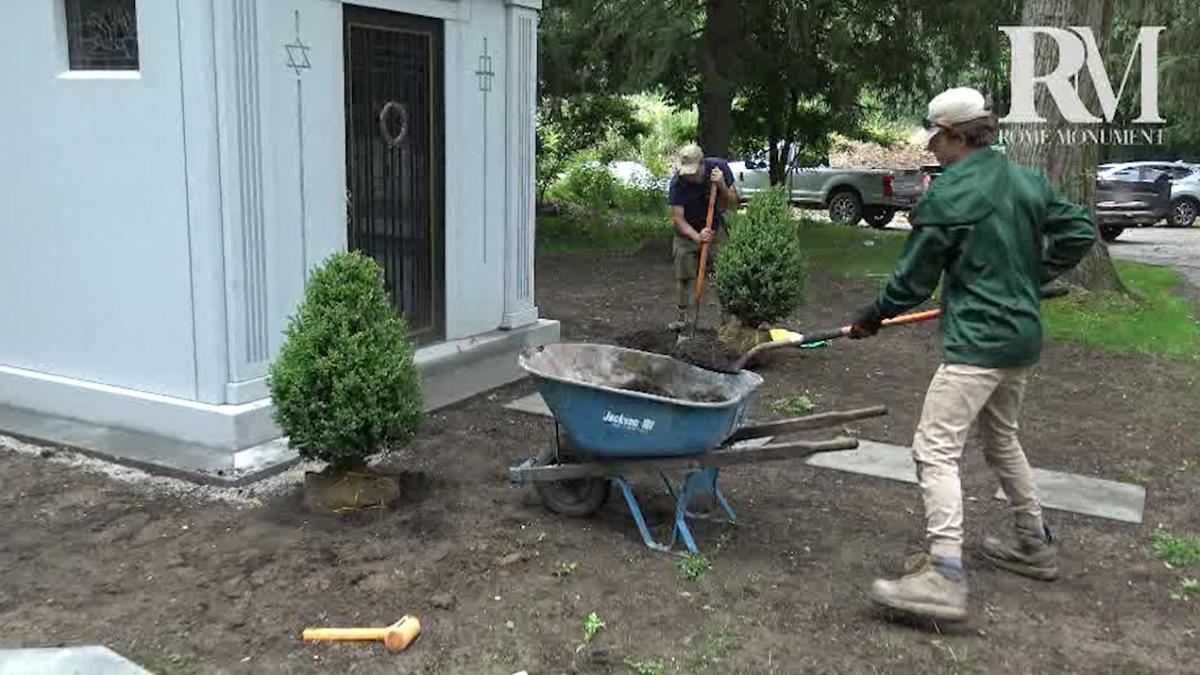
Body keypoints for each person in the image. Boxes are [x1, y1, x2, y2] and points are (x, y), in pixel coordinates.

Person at [848, 87, 1097, 621]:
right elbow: (1079, 229)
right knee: (1001, 439)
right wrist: (1034, 276)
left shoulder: (950, 194)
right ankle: (1034, 543)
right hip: (1020, 339)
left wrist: (873, 316)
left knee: (933, 449)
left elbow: (912, 281)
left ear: (958, 135)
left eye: (937, 138)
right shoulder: (1025, 180)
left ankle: (943, 575)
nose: (933, 148)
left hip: (978, 345)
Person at [666, 143, 739, 331]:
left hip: (714, 228)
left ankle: (727, 322)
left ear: (701, 164)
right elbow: (677, 218)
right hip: (687, 232)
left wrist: (722, 185)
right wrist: (697, 237)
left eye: (692, 171)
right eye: (685, 171)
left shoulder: (719, 169)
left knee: (725, 273)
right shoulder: (678, 182)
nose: (688, 175)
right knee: (683, 275)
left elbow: (734, 201)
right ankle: (682, 319)